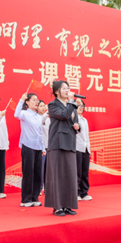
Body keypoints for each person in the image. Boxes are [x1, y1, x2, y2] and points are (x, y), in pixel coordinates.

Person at [44, 81, 81, 217]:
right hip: (57, 143)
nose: (67, 91)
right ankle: (57, 207)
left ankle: (67, 205)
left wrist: (78, 127)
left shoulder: (71, 105)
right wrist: (71, 102)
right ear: (56, 91)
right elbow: (64, 115)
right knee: (57, 176)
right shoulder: (52, 105)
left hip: (70, 143)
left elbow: (74, 121)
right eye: (64, 88)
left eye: (68, 88)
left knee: (70, 175)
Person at [15, 93, 45, 207]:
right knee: (28, 173)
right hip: (28, 146)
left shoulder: (38, 116)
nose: (36, 102)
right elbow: (16, 114)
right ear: (27, 102)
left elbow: (40, 133)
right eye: (34, 100)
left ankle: (34, 198)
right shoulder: (24, 113)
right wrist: (21, 100)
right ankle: (26, 199)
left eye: (37, 100)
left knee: (37, 173)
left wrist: (42, 147)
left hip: (38, 147)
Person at [75, 99, 92, 201]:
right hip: (77, 147)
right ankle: (76, 192)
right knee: (77, 172)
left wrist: (88, 147)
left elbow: (86, 136)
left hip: (85, 148)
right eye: (79, 105)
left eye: (82, 106)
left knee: (85, 172)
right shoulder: (73, 118)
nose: (81, 107)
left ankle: (84, 192)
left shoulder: (85, 120)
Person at [39, 100, 49, 194]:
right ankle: (38, 188)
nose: (43, 108)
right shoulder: (37, 118)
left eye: (44, 106)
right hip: (40, 148)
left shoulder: (49, 119)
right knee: (40, 169)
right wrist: (47, 113)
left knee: (48, 170)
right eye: (41, 106)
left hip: (49, 147)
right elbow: (40, 122)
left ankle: (47, 188)